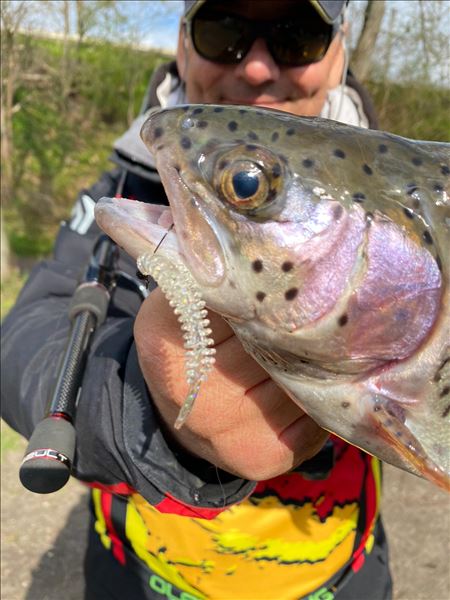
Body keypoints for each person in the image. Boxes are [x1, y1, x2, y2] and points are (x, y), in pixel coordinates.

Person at [1, 1, 392, 598]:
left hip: (347, 578)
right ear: (183, 46)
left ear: (337, 55)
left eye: (297, 37)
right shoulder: (126, 184)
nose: (257, 68)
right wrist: (143, 404)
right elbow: (25, 338)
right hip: (135, 580)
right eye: (223, 31)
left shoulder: (408, 202)